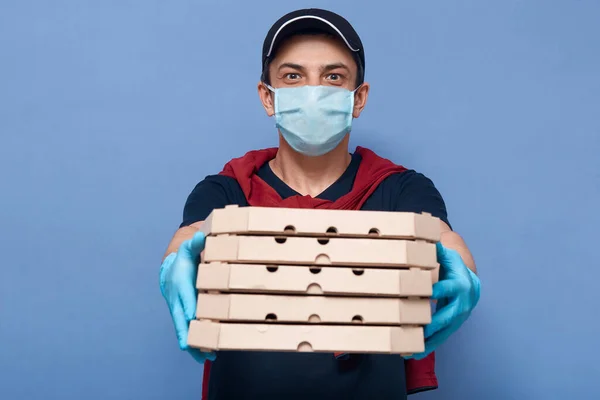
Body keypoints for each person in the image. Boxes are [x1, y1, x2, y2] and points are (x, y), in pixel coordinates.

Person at [159, 8, 481, 400]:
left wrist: (460, 268)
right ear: (268, 97)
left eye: (333, 77)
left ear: (357, 98)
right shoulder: (227, 190)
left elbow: (444, 238)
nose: (313, 91)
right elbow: (188, 235)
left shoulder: (399, 189)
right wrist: (176, 261)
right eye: (293, 77)